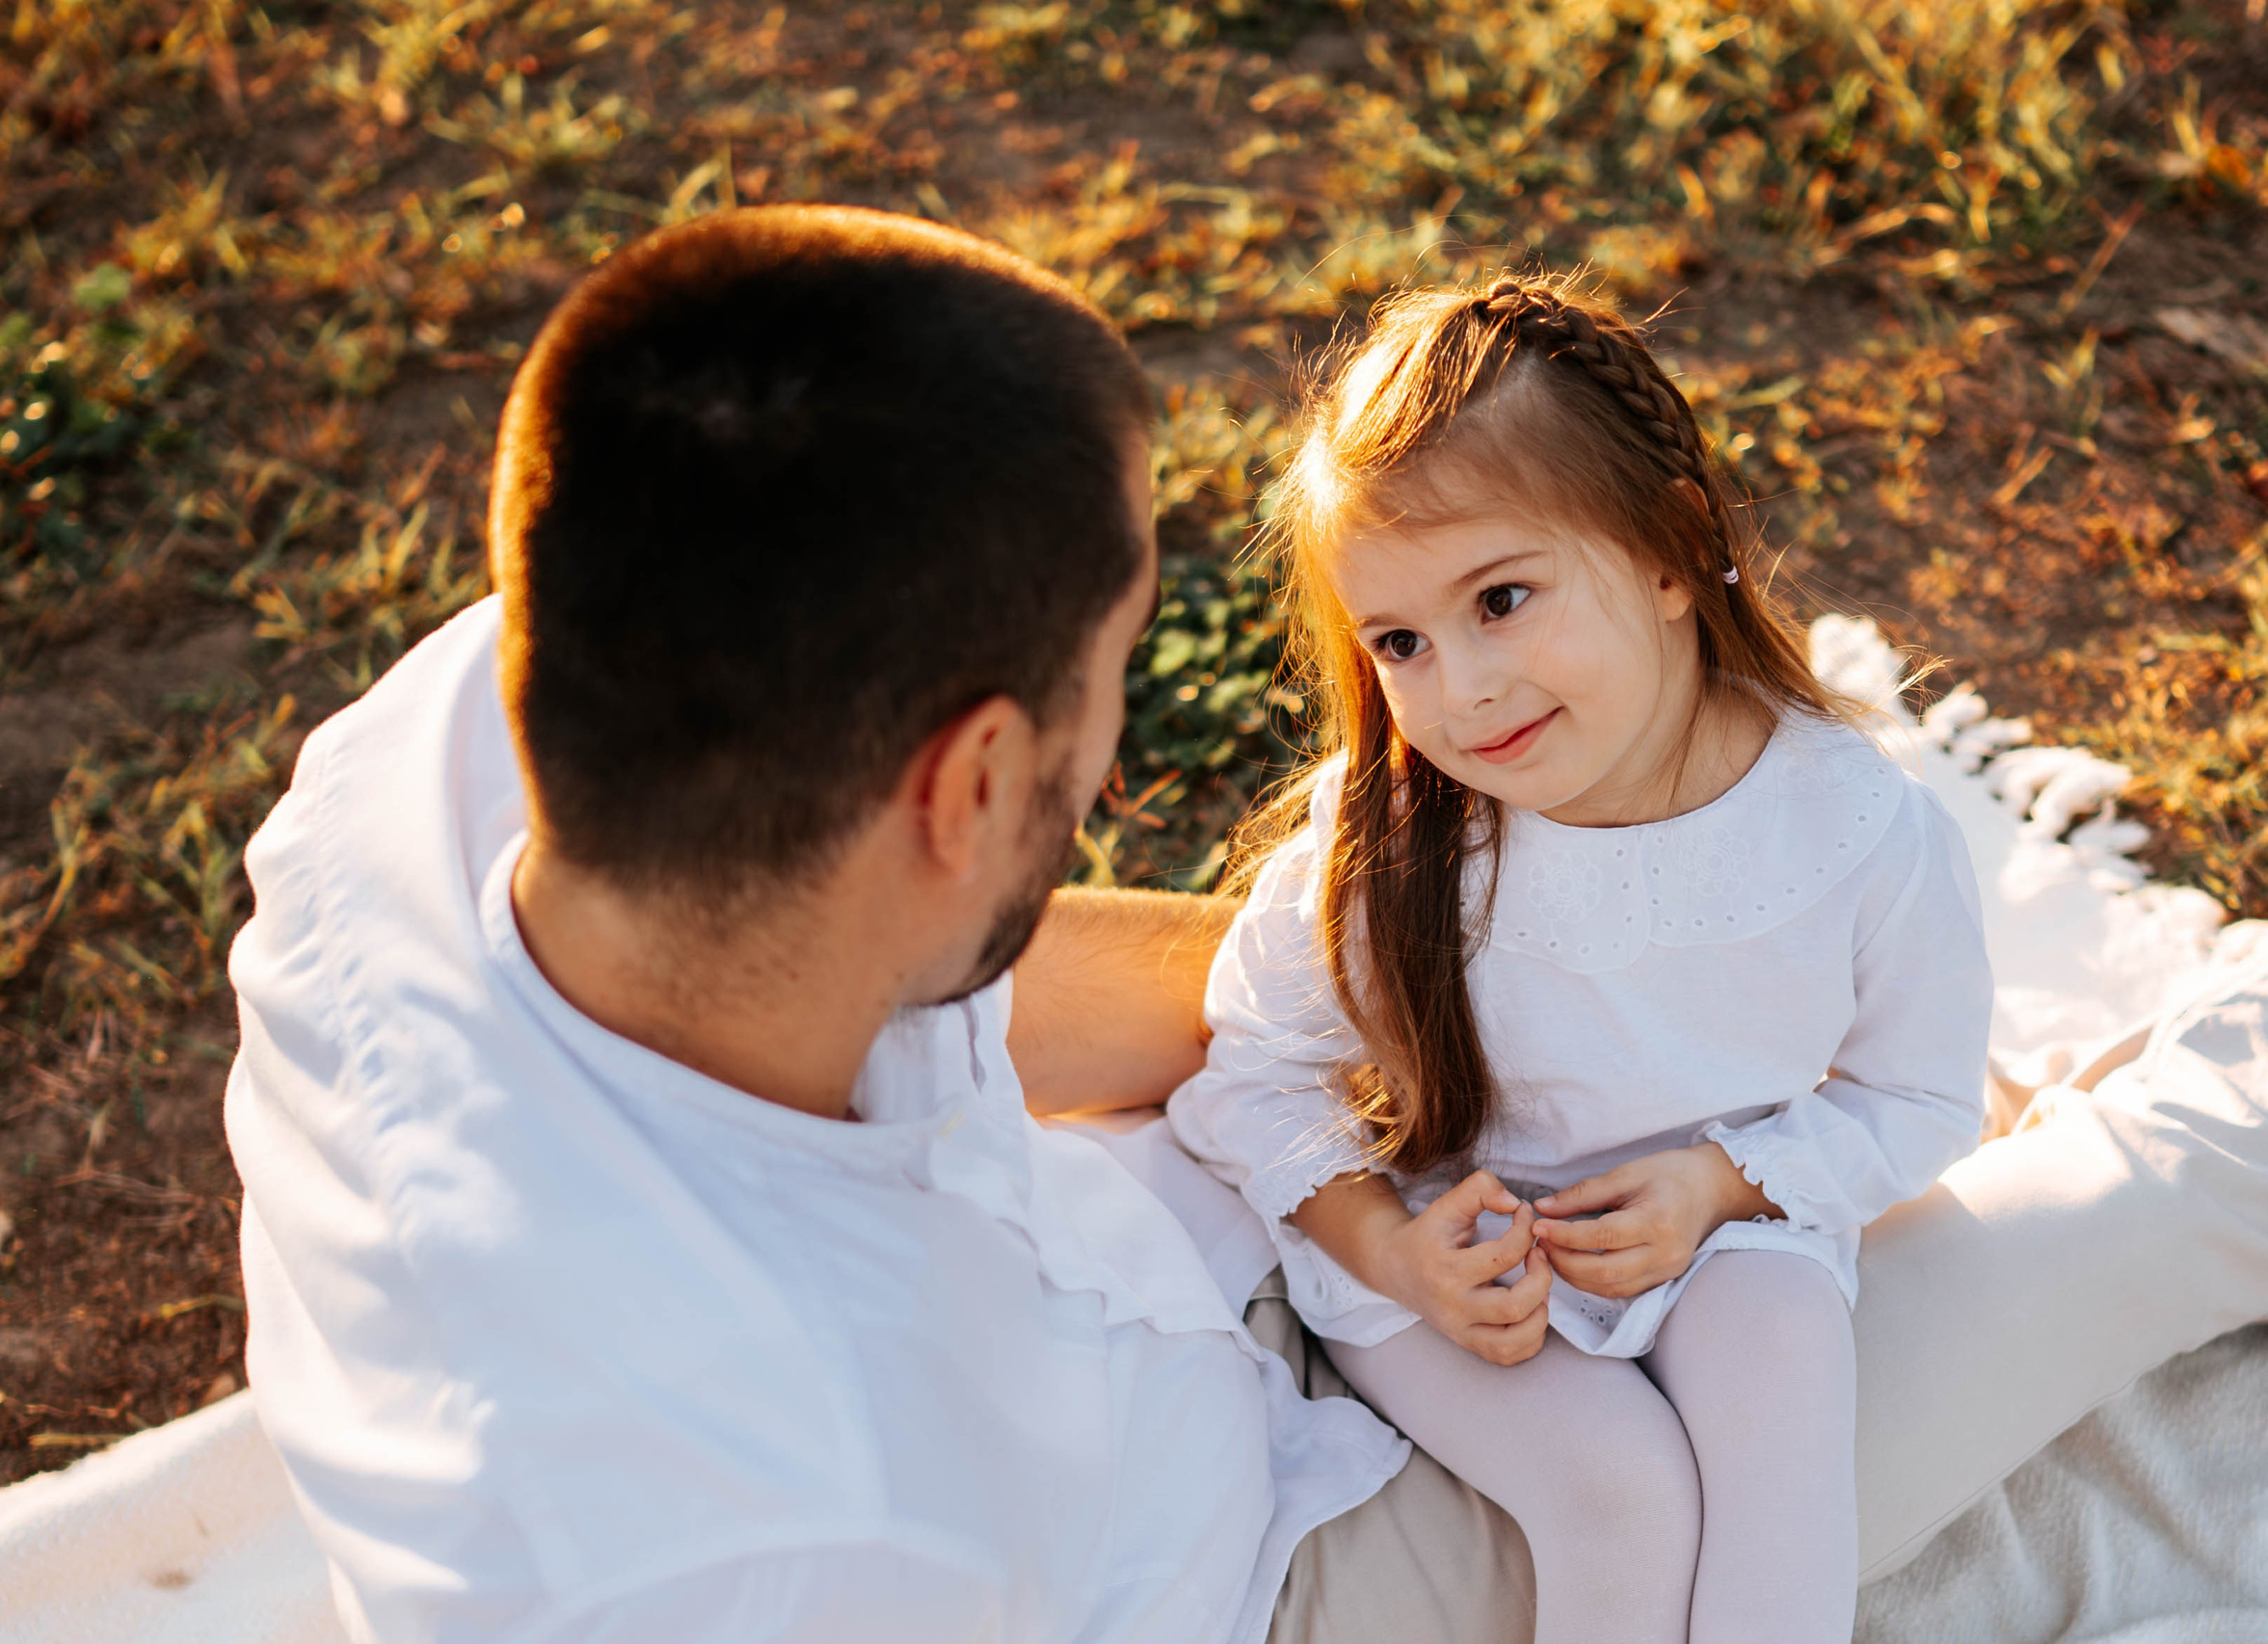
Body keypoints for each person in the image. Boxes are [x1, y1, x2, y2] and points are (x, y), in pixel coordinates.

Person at [225, 204, 1531, 1644]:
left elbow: (988, 989)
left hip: (1178, 1255)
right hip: (1259, 1573)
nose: (1107, 755)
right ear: (968, 782)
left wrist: (1437, 984)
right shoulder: (791, 1539)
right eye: (1115, 668)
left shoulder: (446, 754)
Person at [1165, 276, 1992, 1644]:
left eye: (1502, 598)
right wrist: (1396, 1248)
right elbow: (1252, 1071)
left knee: (1784, 1368)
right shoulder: (1399, 838)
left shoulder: (1848, 827)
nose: (1460, 689)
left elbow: (1919, 1098)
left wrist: (1723, 1181)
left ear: (1669, 551)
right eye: (1401, 643)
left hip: (1716, 1217)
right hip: (1451, 1246)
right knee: (1624, 1492)